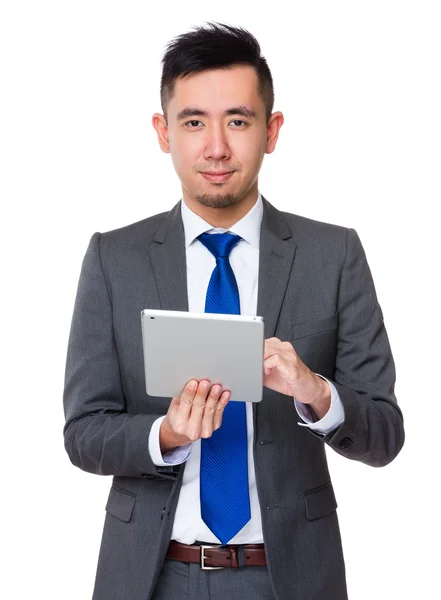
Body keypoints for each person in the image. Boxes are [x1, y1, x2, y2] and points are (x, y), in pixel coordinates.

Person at [63, 21, 405, 600]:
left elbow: (385, 434)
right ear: (163, 132)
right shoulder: (112, 259)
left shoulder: (334, 254)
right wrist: (166, 434)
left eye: (238, 121)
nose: (216, 147)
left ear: (271, 131)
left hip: (290, 576)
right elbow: (83, 432)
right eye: (193, 122)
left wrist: (316, 393)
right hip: (152, 574)